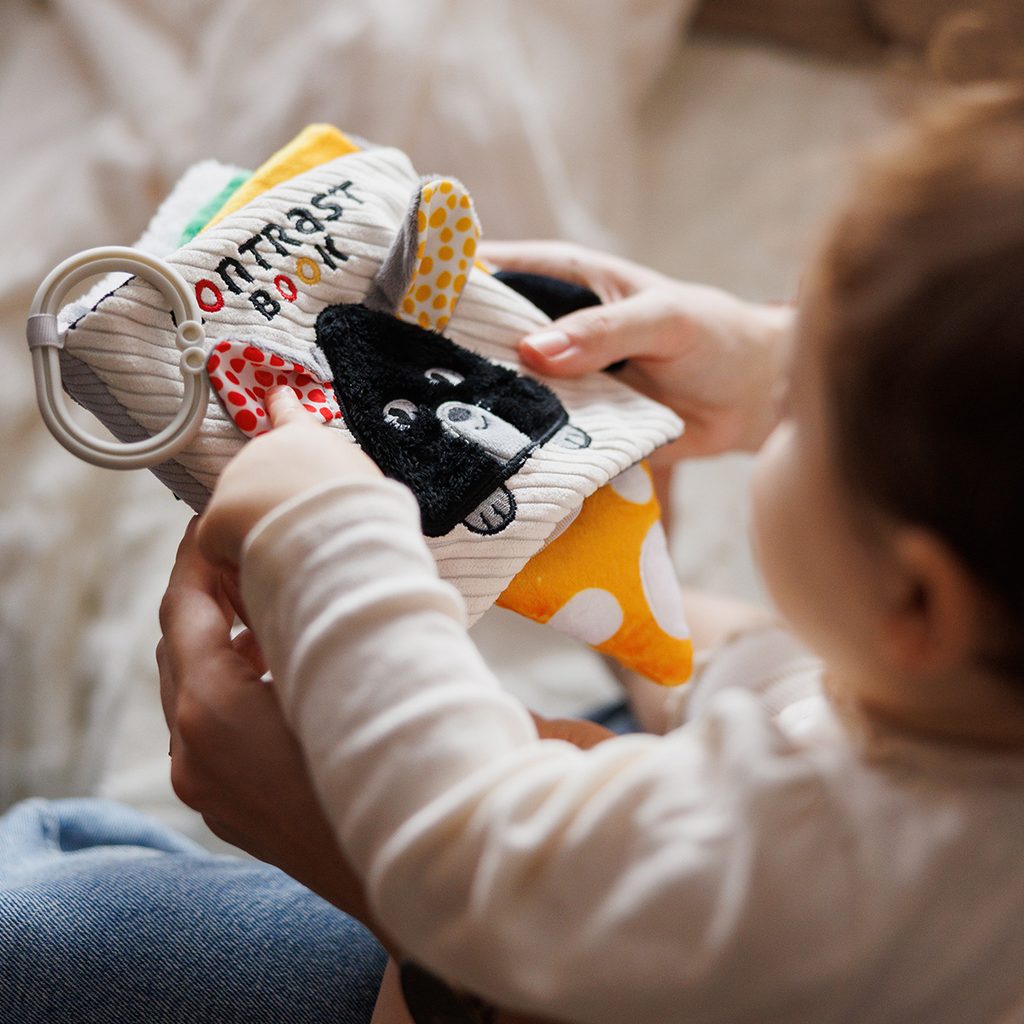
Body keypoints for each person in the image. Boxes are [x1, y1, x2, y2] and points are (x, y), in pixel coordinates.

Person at [6, 83, 1024, 1022]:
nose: (775, 393)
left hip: (482, 951)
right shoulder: (969, 726)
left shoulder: (824, 869)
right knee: (79, 861)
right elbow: (779, 688)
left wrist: (332, 539)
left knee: (36, 925)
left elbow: (471, 860)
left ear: (918, 605)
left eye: (797, 406)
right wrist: (760, 370)